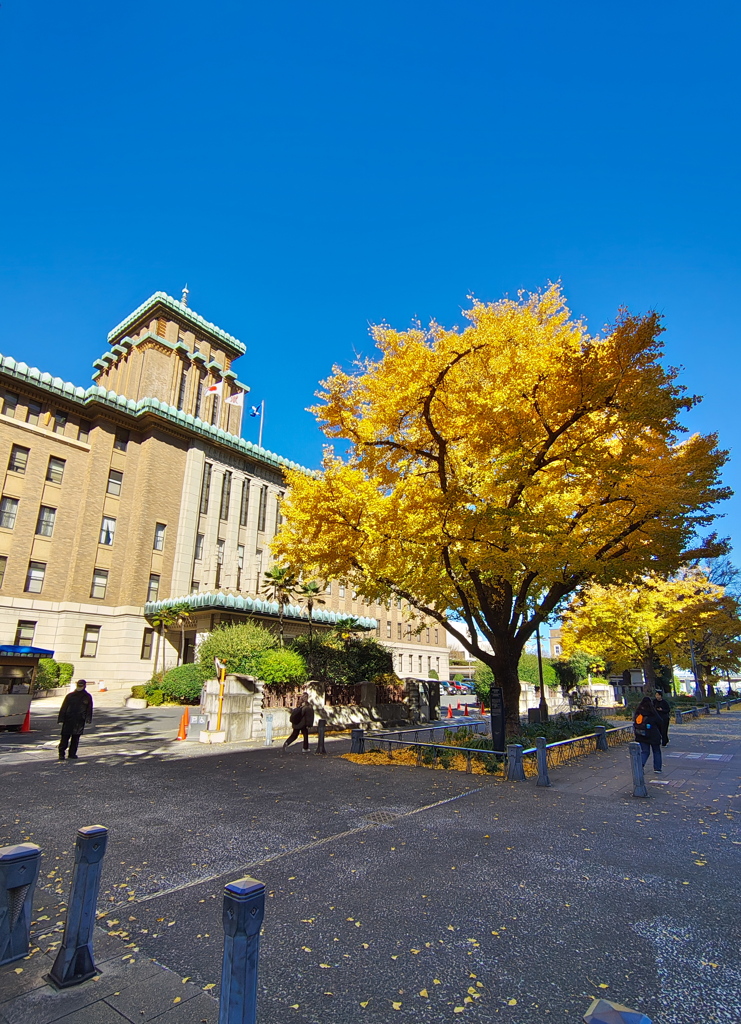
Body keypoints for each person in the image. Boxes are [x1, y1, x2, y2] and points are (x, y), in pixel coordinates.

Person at [58, 679, 93, 761]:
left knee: (75, 738)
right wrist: (61, 718)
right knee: (65, 737)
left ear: (84, 686)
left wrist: (88, 718)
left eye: (81, 685)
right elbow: (64, 707)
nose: (79, 687)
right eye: (79, 685)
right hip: (68, 719)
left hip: (79, 720)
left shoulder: (87, 696)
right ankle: (61, 754)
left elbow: (89, 709)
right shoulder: (70, 696)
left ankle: (72, 754)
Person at [633, 695, 663, 773]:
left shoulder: (638, 713)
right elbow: (660, 721)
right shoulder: (652, 712)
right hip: (653, 735)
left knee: (645, 752)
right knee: (656, 751)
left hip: (641, 735)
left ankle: (640, 766)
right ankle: (657, 768)